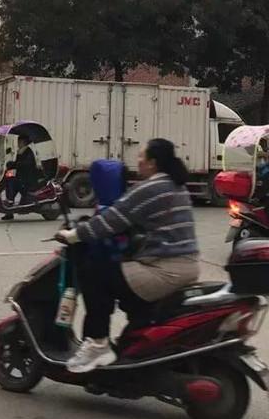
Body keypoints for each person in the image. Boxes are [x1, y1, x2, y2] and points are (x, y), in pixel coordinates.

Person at [55, 138, 200, 373]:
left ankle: (98, 342)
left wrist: (72, 236)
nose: (138, 162)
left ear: (153, 163)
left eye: (141, 157)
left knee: (96, 273)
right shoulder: (175, 184)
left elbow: (109, 221)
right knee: (126, 285)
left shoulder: (151, 188)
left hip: (164, 270)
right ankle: (133, 346)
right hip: (185, 265)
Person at [2, 134, 41, 220]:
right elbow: (16, 164)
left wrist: (15, 164)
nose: (18, 143)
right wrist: (9, 166)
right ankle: (9, 210)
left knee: (12, 181)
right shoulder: (21, 151)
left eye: (19, 141)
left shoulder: (28, 152)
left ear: (24, 142)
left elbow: (26, 164)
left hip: (27, 179)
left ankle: (10, 203)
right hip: (21, 177)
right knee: (8, 180)